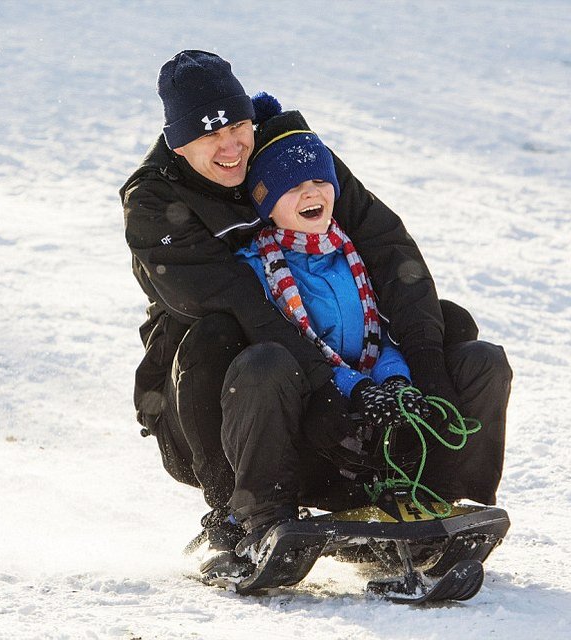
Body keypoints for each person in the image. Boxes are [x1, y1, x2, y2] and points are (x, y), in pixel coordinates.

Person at [119, 50, 511, 581]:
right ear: (178, 140)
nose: (232, 146)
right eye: (211, 136)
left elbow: (389, 249)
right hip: (223, 400)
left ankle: (438, 504)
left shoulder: (289, 155)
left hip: (338, 380)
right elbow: (245, 307)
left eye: (238, 126)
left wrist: (428, 367)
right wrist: (329, 389)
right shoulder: (155, 201)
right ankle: (243, 516)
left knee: (450, 328)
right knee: (222, 338)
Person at [227, 110, 513, 562]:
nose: (312, 193)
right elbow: (291, 353)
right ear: (265, 202)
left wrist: (396, 382)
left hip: (374, 424)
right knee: (265, 368)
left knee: (483, 359)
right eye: (293, 185)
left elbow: (377, 341)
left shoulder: (355, 257)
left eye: (320, 181)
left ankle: (443, 506)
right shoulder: (255, 269)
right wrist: (354, 391)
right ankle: (263, 521)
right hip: (314, 424)